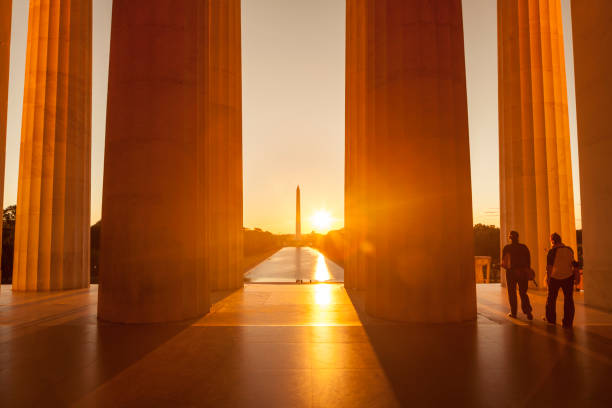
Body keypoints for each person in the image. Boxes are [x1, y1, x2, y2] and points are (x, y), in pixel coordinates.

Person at [545, 233, 578, 328]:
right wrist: (576, 277)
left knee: (551, 299)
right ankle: (567, 322)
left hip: (555, 278)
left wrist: (548, 279)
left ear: (553, 241)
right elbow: (573, 263)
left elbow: (549, 268)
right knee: (569, 299)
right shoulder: (569, 249)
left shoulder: (551, 252)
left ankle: (551, 320)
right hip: (568, 278)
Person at [501, 231, 533, 320]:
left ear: (510, 238)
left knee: (512, 293)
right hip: (523, 272)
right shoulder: (524, 247)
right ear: (518, 237)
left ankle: (514, 313)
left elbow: (504, 262)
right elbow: (528, 261)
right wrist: (527, 270)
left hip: (511, 273)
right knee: (523, 293)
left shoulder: (507, 248)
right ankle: (528, 311)